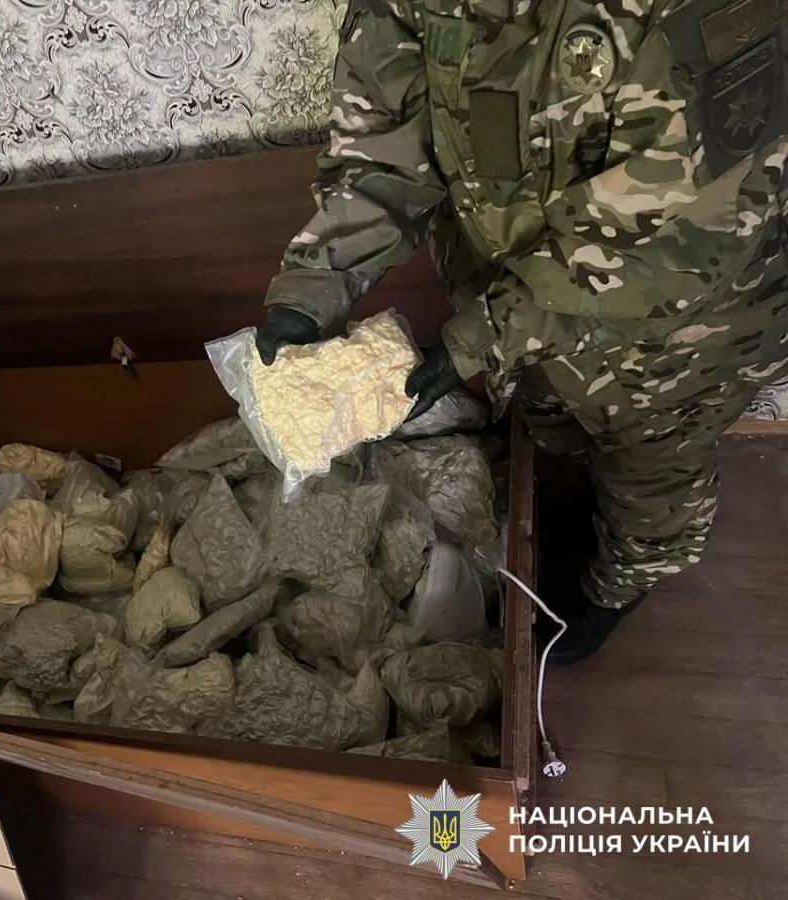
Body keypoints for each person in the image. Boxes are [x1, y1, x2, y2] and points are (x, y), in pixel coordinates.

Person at [255, 0, 787, 663]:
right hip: (510, 297)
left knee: (649, 467)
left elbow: (680, 234)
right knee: (556, 421)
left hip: (676, 330)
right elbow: (382, 150)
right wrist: (316, 282)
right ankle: (577, 501)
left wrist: (480, 337)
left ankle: (622, 586)